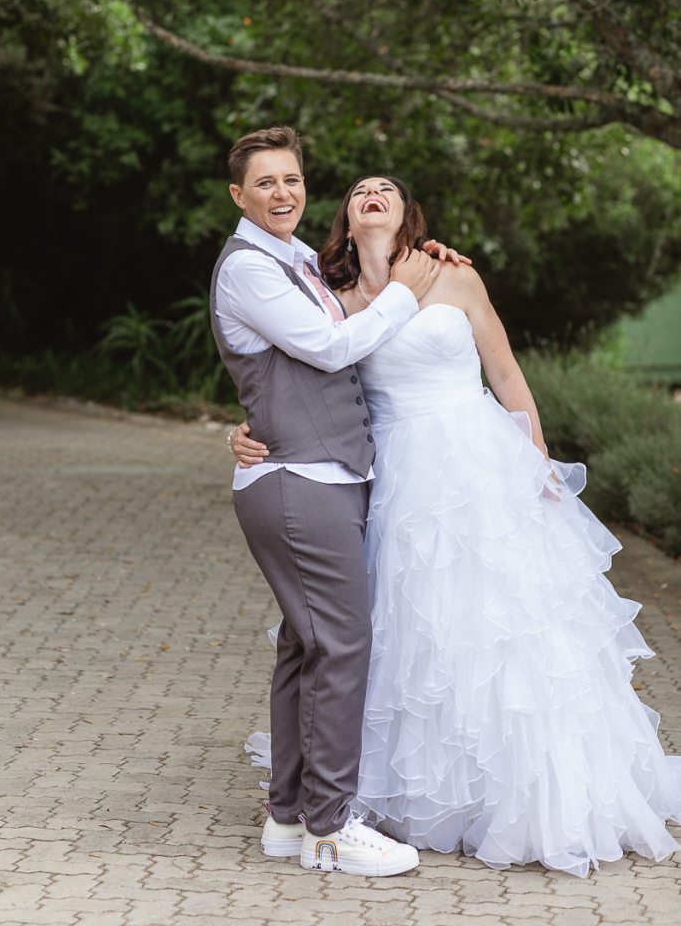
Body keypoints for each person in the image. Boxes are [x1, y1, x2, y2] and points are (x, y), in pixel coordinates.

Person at [235, 174, 681, 878]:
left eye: (386, 188)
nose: (372, 193)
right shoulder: (331, 296)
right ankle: (412, 789)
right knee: (410, 626)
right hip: (391, 476)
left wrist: (535, 461)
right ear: (346, 219)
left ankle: (527, 790)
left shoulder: (454, 276)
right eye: (359, 189)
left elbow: (506, 376)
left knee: (504, 621)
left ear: (408, 213)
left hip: (478, 463)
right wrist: (245, 432)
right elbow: (294, 380)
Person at [210, 127, 470, 877]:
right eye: (265, 183)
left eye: (291, 179)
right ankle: (329, 829)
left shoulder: (295, 259)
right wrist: (406, 293)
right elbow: (326, 350)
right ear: (238, 195)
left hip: (322, 476)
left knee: (306, 647)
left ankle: (288, 817)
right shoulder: (248, 268)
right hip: (299, 482)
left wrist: (416, 263)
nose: (282, 193)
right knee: (342, 646)